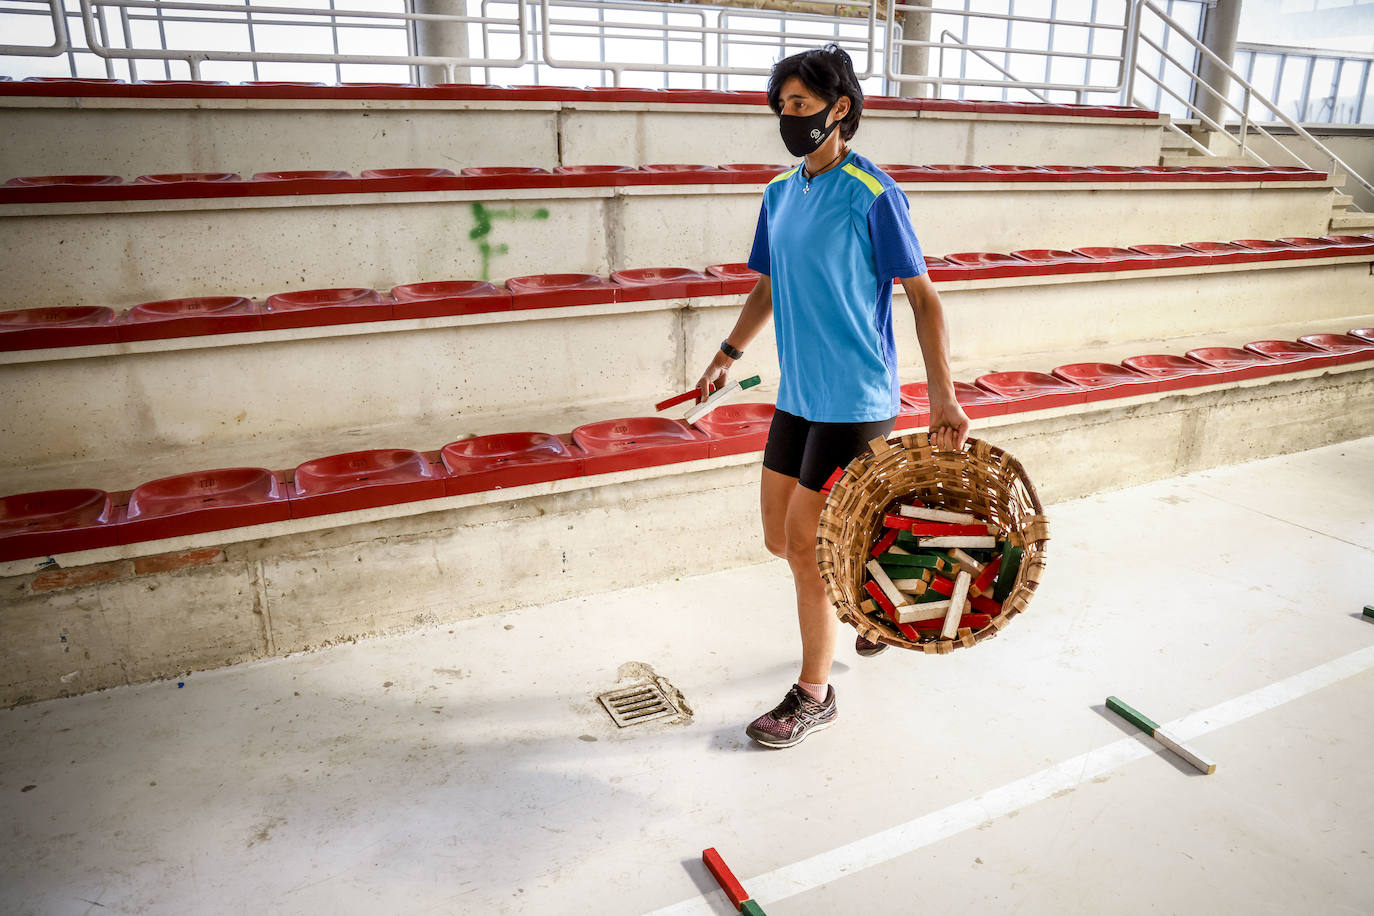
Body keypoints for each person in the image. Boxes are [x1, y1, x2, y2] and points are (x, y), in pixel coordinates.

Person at [694, 43, 970, 749]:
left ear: (838, 108)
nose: (786, 118)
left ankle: (814, 693)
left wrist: (944, 396)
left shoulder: (873, 194)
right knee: (776, 536)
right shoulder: (780, 193)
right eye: (780, 106)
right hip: (801, 395)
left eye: (799, 105)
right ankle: (878, 602)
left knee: (805, 548)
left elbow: (925, 301)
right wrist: (727, 355)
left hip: (855, 397)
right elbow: (768, 285)